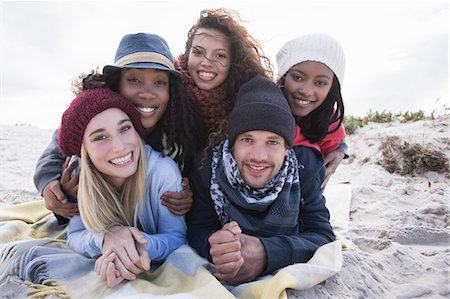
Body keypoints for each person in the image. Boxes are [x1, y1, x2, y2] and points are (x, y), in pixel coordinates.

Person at [34, 33, 202, 224]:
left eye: (159, 82)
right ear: (116, 85)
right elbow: (57, 147)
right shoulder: (95, 116)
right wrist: (49, 185)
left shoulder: (180, 129)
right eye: (134, 80)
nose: (147, 93)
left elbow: (195, 178)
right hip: (97, 219)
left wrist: (188, 196)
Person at [186, 75, 335, 285]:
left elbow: (322, 235)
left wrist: (267, 253)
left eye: (272, 142)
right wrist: (217, 247)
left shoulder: (306, 167)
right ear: (232, 143)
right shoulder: (207, 167)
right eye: (247, 140)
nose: (259, 156)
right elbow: (198, 227)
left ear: (287, 147)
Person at [57, 87, 186, 288]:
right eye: (100, 137)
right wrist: (105, 240)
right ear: (84, 151)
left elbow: (177, 237)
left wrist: (135, 246)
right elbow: (74, 235)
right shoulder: (79, 173)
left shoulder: (163, 171)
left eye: (125, 128)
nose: (119, 146)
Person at [175, 8, 273, 150]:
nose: (207, 62)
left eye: (220, 55)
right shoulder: (168, 90)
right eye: (198, 52)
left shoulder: (247, 103)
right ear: (187, 53)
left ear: (233, 61)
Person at [276, 33, 348, 188]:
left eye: (320, 82)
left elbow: (335, 141)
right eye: (298, 77)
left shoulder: (327, 117)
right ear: (283, 76)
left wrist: (340, 148)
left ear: (332, 88)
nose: (307, 91)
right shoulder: (264, 107)